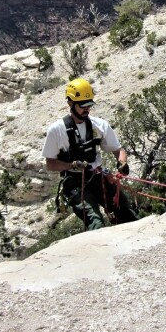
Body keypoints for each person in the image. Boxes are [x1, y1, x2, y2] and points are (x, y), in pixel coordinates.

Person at [42, 78, 139, 230]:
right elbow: (50, 163)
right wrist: (71, 165)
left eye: (89, 105)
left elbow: (118, 150)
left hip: (97, 176)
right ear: (70, 103)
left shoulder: (99, 125)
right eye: (83, 106)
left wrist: (122, 163)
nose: (87, 109)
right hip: (75, 183)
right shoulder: (57, 130)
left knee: (125, 211)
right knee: (95, 221)